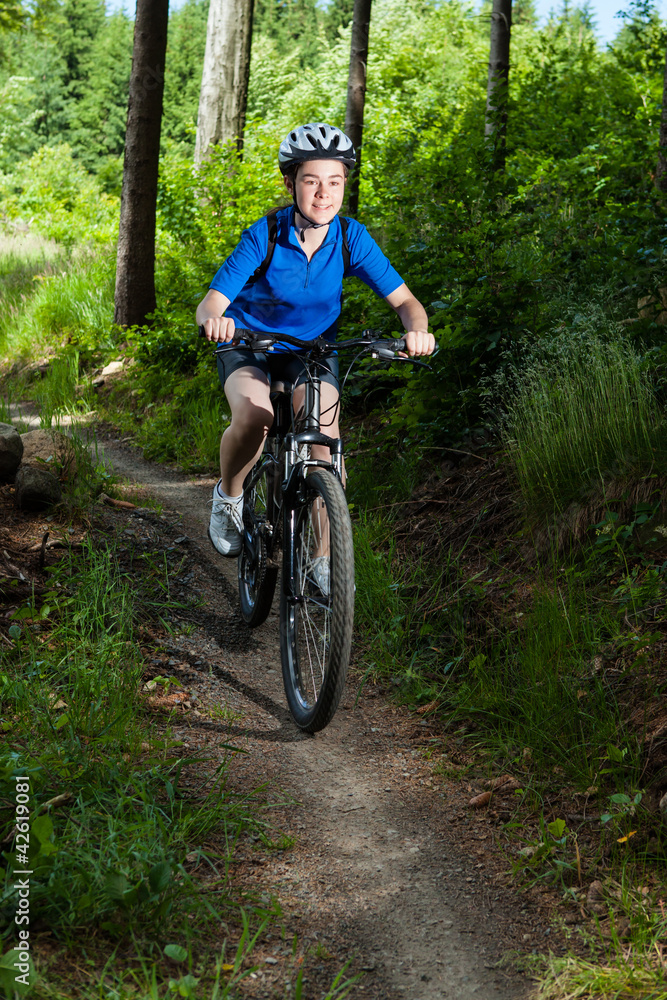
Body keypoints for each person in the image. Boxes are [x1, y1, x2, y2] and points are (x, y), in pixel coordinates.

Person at [196, 122, 435, 578]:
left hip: (313, 350)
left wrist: (417, 332)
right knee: (255, 417)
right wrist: (216, 321)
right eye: (311, 181)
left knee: (324, 449)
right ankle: (228, 496)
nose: (323, 193)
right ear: (290, 183)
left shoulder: (350, 237)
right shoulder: (264, 235)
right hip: (251, 343)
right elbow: (212, 301)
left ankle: (324, 563)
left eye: (334, 181)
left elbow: (406, 303)